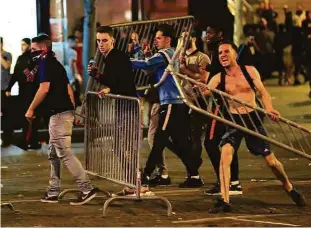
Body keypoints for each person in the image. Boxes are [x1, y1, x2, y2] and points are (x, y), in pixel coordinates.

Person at [206, 41, 306, 213]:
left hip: (252, 120)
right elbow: (203, 93)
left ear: (235, 54)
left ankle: (290, 188)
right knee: (225, 155)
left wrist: (269, 109)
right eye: (220, 52)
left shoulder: (249, 70)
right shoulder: (218, 78)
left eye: (226, 51)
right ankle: (225, 199)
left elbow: (263, 92)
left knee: (271, 162)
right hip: (233, 121)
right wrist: (195, 88)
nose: (222, 55)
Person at [25, 34, 97, 205]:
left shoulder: (45, 64)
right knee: (53, 154)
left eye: (34, 50)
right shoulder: (56, 64)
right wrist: (73, 112)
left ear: (44, 49)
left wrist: (31, 109)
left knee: (63, 153)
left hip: (58, 115)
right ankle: (53, 191)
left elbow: (44, 89)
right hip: (61, 114)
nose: (31, 53)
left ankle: (86, 188)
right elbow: (68, 90)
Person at [131, 24, 204, 188]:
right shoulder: (167, 55)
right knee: (178, 142)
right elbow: (150, 70)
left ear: (168, 39)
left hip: (171, 103)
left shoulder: (165, 54)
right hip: (173, 103)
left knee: (159, 141)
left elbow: (146, 64)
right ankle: (194, 173)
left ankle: (146, 175)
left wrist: (122, 60)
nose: (155, 41)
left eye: (158, 38)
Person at [202, 26, 242, 196]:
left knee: (211, 143)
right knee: (227, 143)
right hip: (225, 105)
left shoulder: (221, 56)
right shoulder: (215, 55)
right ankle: (232, 182)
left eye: (210, 33)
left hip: (222, 106)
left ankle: (227, 181)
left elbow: (213, 81)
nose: (207, 36)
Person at [179, 30, 210, 178]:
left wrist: (185, 70)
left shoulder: (202, 58)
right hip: (182, 101)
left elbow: (204, 79)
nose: (184, 40)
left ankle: (194, 173)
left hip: (197, 101)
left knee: (195, 137)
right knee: (183, 138)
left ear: (194, 38)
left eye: (187, 37)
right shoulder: (180, 57)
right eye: (182, 37)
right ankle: (192, 168)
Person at [5, 38, 41, 150]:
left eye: (24, 45)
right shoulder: (21, 58)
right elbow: (16, 74)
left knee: (34, 117)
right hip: (23, 93)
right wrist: (9, 88)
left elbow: (37, 75)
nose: (22, 47)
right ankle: (26, 141)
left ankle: (32, 141)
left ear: (30, 45)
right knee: (25, 117)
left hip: (34, 93)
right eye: (21, 45)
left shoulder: (36, 58)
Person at [88, 26, 136, 97]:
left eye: (104, 40)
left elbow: (126, 84)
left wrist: (110, 90)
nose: (101, 44)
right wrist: (96, 75)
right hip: (123, 100)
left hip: (127, 101)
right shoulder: (111, 56)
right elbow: (111, 81)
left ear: (112, 40)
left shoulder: (116, 57)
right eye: (98, 40)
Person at [1, 37, 13, 147]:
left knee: (6, 115)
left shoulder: (7, 55)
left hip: (4, 89)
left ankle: (7, 139)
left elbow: (6, 66)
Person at [65, 35, 82, 106]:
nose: (76, 44)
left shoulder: (63, 50)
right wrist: (76, 76)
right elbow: (72, 64)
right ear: (70, 42)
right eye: (75, 42)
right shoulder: (73, 52)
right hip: (70, 75)